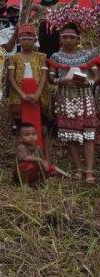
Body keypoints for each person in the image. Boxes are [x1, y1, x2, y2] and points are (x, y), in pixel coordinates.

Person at [47, 23, 97, 184]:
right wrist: (61, 80)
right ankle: (78, 168)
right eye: (65, 37)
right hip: (65, 97)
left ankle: (89, 170)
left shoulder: (88, 56)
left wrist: (88, 83)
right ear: (61, 39)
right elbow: (51, 78)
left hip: (85, 97)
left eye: (72, 37)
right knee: (70, 135)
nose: (68, 40)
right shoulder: (55, 57)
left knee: (88, 134)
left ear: (78, 39)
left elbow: (96, 75)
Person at [7, 24, 49, 153]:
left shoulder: (41, 56)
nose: (26, 41)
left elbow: (43, 77)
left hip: (38, 95)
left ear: (35, 40)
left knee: (43, 129)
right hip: (19, 96)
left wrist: (37, 94)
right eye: (23, 39)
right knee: (20, 128)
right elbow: (11, 78)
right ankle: (20, 159)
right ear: (19, 40)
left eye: (30, 39)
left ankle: (45, 159)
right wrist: (22, 94)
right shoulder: (13, 57)